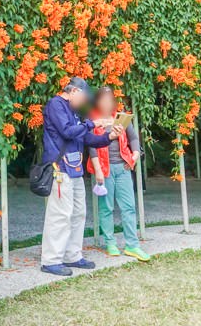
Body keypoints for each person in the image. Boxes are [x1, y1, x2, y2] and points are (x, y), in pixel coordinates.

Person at [39, 76, 118, 276]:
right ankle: (51, 260)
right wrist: (93, 123)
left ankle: (72, 255)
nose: (84, 102)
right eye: (83, 97)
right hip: (60, 170)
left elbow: (85, 138)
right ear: (73, 91)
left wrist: (108, 137)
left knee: (78, 214)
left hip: (75, 170)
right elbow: (67, 132)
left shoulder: (73, 112)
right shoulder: (56, 104)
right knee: (60, 216)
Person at [88, 87, 150, 261]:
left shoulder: (121, 118)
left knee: (128, 207)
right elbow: (91, 145)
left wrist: (135, 155)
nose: (107, 104)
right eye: (103, 100)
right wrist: (98, 170)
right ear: (98, 102)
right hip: (105, 169)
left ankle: (132, 245)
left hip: (123, 167)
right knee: (106, 207)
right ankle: (110, 242)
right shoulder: (93, 120)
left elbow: (134, 139)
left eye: (110, 100)